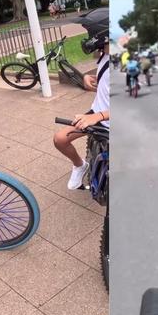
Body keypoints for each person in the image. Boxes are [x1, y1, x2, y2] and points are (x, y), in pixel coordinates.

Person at [53, 19, 109, 190]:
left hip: (106, 117)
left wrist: (96, 117)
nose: (89, 38)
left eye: (91, 34)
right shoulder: (104, 54)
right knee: (60, 139)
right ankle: (80, 165)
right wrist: (87, 79)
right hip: (98, 113)